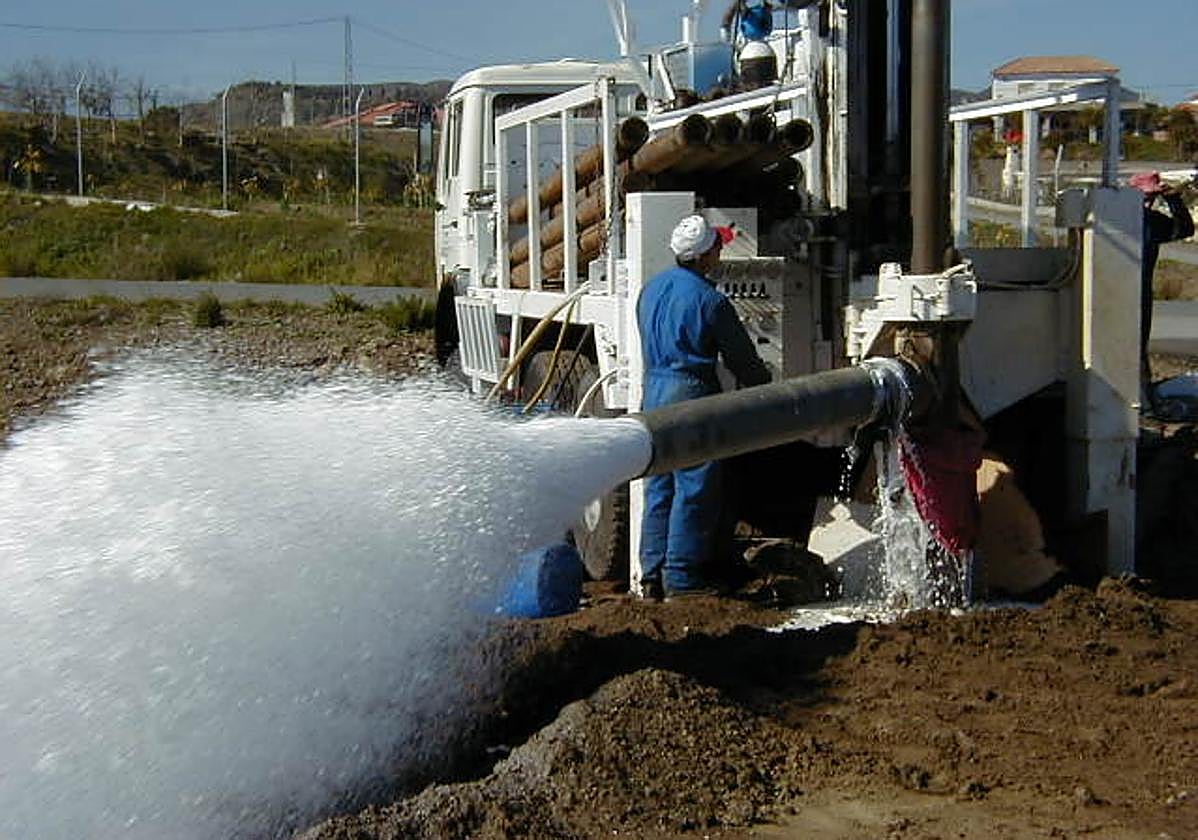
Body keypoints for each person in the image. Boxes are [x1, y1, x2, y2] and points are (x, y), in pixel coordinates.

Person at [637, 215, 771, 600]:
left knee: (659, 484)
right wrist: (771, 394)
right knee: (694, 488)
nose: (720, 251)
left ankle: (652, 576)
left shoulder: (650, 290)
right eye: (716, 246)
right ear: (702, 256)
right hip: (691, 396)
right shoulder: (711, 301)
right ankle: (682, 579)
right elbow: (742, 362)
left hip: (654, 393)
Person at [1130, 171, 1195, 401]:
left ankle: (1141, 394)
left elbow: (1185, 229)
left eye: (1152, 197)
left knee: (1137, 344)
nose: (1149, 201)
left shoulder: (1151, 221)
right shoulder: (1131, 220)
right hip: (1123, 289)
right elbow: (1184, 229)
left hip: (1140, 291)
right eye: (1146, 196)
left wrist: (1173, 200)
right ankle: (1138, 395)